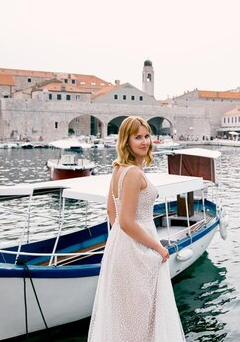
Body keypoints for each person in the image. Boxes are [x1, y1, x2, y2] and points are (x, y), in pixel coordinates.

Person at [88, 116, 185, 342]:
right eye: (137, 137)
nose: (144, 142)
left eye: (146, 136)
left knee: (126, 316)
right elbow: (126, 221)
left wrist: (121, 244)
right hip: (137, 248)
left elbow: (112, 213)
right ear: (126, 141)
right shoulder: (133, 173)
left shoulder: (119, 169)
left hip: (122, 247)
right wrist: (158, 247)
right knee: (142, 318)